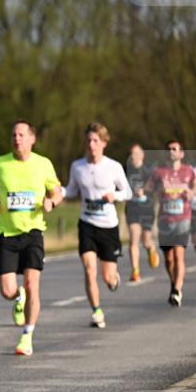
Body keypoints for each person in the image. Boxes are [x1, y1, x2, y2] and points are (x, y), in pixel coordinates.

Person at [0, 120, 64, 356]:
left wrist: (52, 202)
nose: (16, 139)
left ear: (32, 139)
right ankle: (19, 298)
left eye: (21, 135)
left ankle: (27, 336)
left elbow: (56, 191)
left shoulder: (43, 164)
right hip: (7, 234)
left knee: (32, 284)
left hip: (33, 232)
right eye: (13, 135)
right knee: (7, 291)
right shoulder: (0, 164)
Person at [62, 123, 131, 328]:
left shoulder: (113, 166)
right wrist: (59, 191)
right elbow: (72, 191)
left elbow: (127, 192)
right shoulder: (78, 166)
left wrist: (114, 196)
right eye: (89, 140)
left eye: (95, 140)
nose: (91, 144)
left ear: (104, 143)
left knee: (107, 278)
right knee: (89, 268)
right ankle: (96, 311)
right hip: (87, 224)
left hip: (108, 227)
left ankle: (113, 279)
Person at [146, 140, 196, 306]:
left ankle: (176, 289)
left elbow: (195, 186)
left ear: (181, 153)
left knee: (178, 254)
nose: (171, 152)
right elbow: (148, 188)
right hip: (165, 220)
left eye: (175, 149)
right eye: (169, 149)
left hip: (183, 218)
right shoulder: (159, 172)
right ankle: (174, 283)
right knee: (168, 259)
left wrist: (191, 192)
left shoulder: (189, 171)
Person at [125, 143, 159, 282]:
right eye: (132, 154)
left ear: (142, 155)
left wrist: (144, 191)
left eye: (137, 153)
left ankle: (151, 249)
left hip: (146, 209)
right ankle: (135, 271)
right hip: (132, 208)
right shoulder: (126, 172)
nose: (134, 156)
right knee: (133, 238)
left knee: (146, 240)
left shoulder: (148, 172)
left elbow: (156, 188)